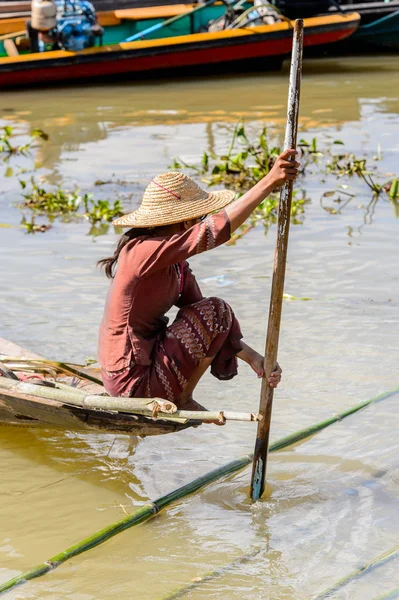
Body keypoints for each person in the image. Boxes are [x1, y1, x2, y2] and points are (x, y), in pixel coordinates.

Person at [97, 149, 299, 420]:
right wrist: (268, 183)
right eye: (197, 218)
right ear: (183, 221)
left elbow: (208, 321)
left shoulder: (176, 266)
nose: (199, 221)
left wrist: (255, 359)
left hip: (151, 365)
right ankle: (182, 397)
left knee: (216, 312)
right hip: (133, 381)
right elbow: (214, 231)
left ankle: (183, 395)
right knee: (216, 309)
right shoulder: (140, 252)